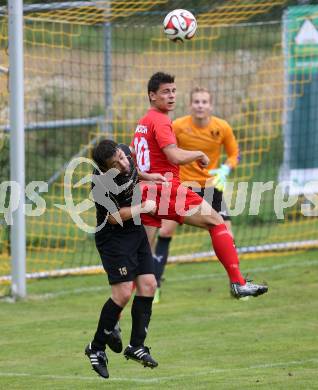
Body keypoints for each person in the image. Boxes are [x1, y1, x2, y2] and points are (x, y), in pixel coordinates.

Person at [130, 72, 268, 303]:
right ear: (152, 96)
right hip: (170, 189)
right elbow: (172, 153)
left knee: (141, 254)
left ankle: (116, 322)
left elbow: (136, 156)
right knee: (215, 223)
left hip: (154, 190)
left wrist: (225, 169)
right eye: (166, 92)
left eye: (173, 91)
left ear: (210, 104)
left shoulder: (143, 122)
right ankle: (238, 283)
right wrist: (198, 154)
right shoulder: (166, 121)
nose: (171, 96)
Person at [85, 139, 165, 379]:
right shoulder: (100, 184)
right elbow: (112, 217)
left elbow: (133, 170)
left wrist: (149, 176)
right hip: (113, 238)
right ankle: (96, 348)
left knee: (149, 285)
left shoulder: (125, 153)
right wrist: (143, 208)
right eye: (116, 163)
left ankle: (136, 346)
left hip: (135, 231)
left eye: (122, 157)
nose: (122, 163)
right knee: (122, 293)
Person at [153, 87, 239, 302]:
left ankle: (237, 284)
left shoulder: (223, 127)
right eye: (196, 101)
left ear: (210, 106)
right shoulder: (178, 126)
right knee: (164, 232)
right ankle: (154, 285)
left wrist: (226, 169)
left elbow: (234, 154)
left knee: (228, 234)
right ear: (190, 105)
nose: (200, 105)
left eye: (204, 102)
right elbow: (166, 150)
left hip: (212, 187)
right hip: (184, 187)